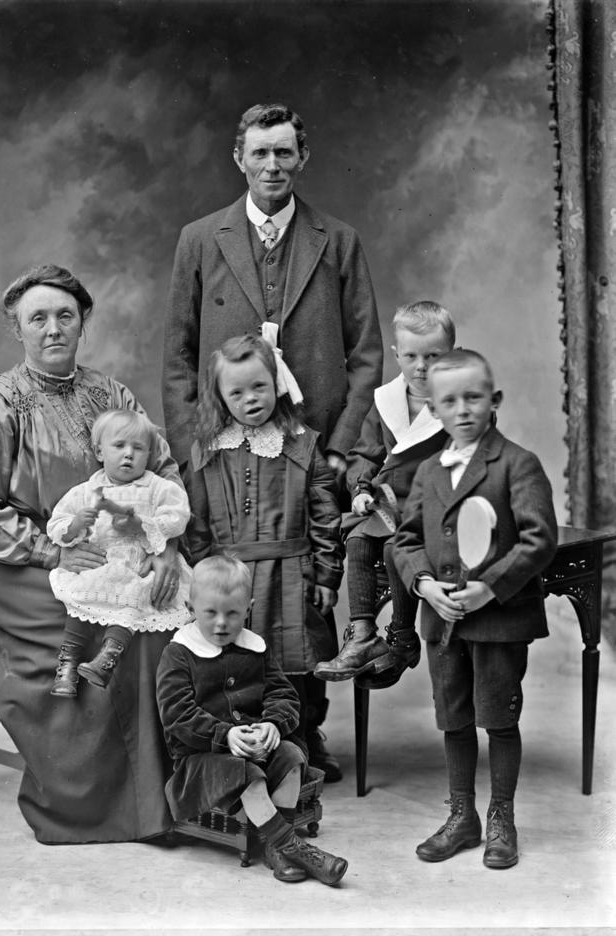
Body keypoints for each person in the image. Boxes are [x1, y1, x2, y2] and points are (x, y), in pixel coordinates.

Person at [163, 102, 384, 780]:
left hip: (307, 449)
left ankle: (305, 731)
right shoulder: (201, 239)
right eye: (260, 153)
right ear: (240, 158)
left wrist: (341, 448)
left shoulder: (336, 240)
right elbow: (178, 356)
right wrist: (192, 451)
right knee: (234, 590)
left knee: (304, 598)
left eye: (284, 152)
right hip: (224, 445)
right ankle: (232, 732)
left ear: (302, 158)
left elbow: (367, 355)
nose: (272, 165)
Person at [0, 263, 185, 844]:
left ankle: (177, 791)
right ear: (19, 330)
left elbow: (162, 470)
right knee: (98, 629)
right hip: (22, 567)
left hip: (120, 551)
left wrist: (167, 547)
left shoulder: (112, 395)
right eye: (38, 319)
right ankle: (108, 805)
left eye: (65, 316)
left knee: (165, 607)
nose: (53, 329)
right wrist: (49, 552)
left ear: (83, 323)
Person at [392, 349, 557, 869]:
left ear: (494, 400)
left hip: (499, 621)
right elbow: (405, 539)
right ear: (433, 409)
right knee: (455, 720)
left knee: (499, 719)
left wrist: (489, 587)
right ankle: (461, 816)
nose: (462, 410)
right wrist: (424, 585)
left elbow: (538, 539)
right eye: (450, 401)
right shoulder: (427, 471)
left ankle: (501, 818)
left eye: (473, 398)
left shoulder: (517, 463)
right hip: (443, 623)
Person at [183, 333, 344, 753]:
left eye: (259, 386)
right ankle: (243, 748)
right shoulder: (208, 452)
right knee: (235, 665)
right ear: (220, 397)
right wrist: (203, 578)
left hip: (293, 576)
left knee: (298, 666)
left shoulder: (301, 444)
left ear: (277, 384)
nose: (250, 399)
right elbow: (195, 523)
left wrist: (326, 576)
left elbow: (325, 516)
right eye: (236, 392)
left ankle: (305, 744)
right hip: (230, 581)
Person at [156, 555, 348, 886]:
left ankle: (275, 848)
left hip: (256, 748)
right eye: (210, 613)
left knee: (291, 756)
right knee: (244, 772)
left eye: (232, 613)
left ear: (248, 609)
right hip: (204, 759)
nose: (221, 623)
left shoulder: (255, 648)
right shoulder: (179, 653)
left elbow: (283, 694)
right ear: (190, 608)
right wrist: (225, 735)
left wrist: (273, 723)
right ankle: (291, 846)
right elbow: (177, 714)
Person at [314, 301, 454, 685]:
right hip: (390, 500)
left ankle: (403, 637)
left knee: (396, 549)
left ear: (452, 355)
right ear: (397, 355)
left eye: (433, 356)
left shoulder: (457, 403)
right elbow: (365, 453)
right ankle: (362, 635)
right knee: (359, 538)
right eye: (411, 356)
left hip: (432, 505)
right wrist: (361, 488)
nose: (421, 366)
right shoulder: (386, 402)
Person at [46, 409, 192, 697]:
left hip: (140, 565)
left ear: (149, 454)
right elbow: (57, 524)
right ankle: (68, 663)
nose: (129, 454)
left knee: (135, 596)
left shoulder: (157, 488)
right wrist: (75, 525)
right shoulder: (86, 491)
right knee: (80, 598)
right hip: (101, 565)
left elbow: (177, 517)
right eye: (119, 446)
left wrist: (143, 524)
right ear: (100, 452)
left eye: (138, 448)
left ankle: (107, 658)